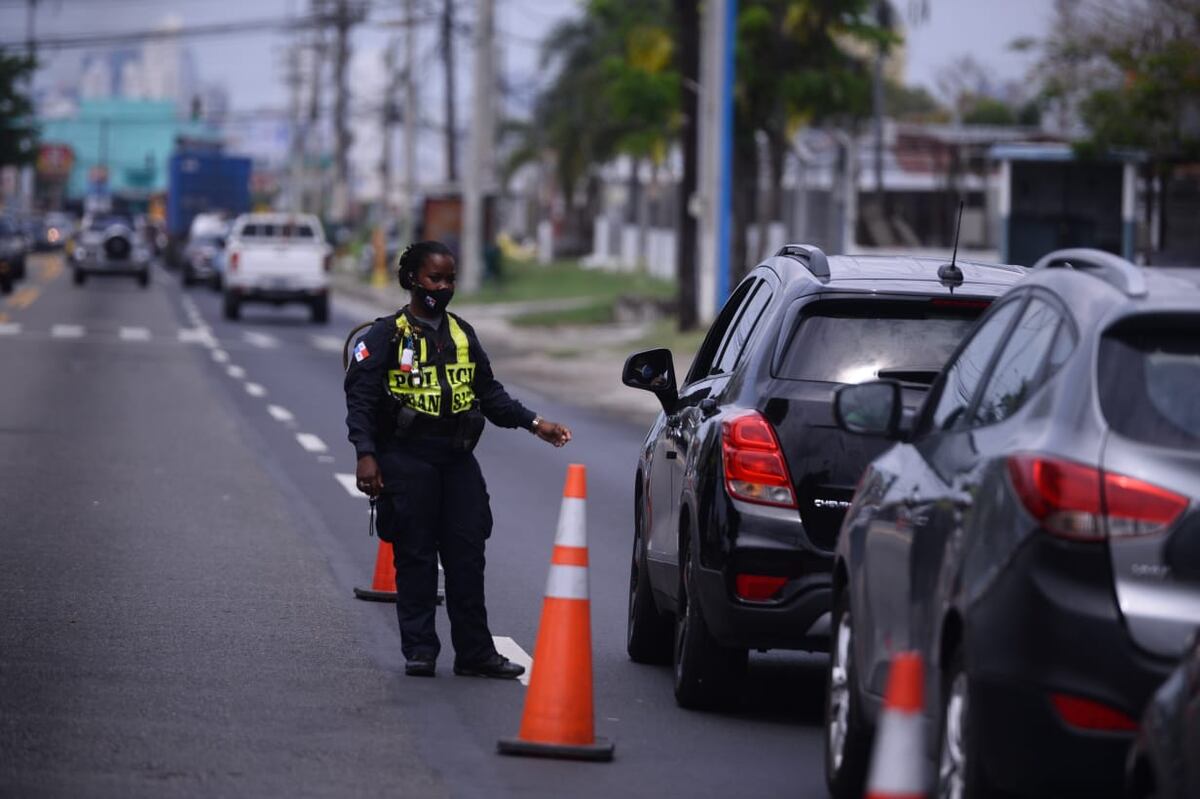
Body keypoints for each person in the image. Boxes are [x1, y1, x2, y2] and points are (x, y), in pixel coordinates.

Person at [344, 240, 572, 679]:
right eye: (435, 278)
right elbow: (361, 401)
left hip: (457, 460)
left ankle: (475, 653)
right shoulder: (385, 335)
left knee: (467, 555)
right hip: (407, 459)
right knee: (416, 556)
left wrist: (535, 423)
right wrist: (366, 456)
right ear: (413, 279)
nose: (444, 287)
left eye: (450, 279)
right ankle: (421, 650)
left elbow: (489, 394)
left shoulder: (463, 333)